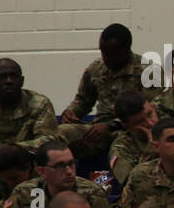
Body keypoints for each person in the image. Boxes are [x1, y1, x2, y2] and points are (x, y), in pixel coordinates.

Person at [0, 141, 115, 208]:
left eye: (71, 163)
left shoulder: (93, 193)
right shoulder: (23, 193)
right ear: (42, 172)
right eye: (60, 166)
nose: (69, 171)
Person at [58, 24, 150, 157]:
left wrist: (112, 125)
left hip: (129, 129)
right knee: (60, 133)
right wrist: (70, 112)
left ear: (126, 49)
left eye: (111, 54)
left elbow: (151, 110)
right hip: (97, 128)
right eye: (102, 52)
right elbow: (83, 101)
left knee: (121, 142)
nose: (105, 57)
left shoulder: (147, 70)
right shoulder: (96, 69)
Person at [107, 93, 174, 186]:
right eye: (140, 122)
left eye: (150, 114)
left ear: (153, 107)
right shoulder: (121, 148)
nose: (150, 123)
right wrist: (151, 148)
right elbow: (132, 185)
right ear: (126, 126)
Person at [0, 57, 57, 155]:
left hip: (26, 159)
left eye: (14, 76)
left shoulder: (39, 103)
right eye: (2, 77)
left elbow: (48, 140)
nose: (9, 81)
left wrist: (10, 149)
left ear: (22, 81)